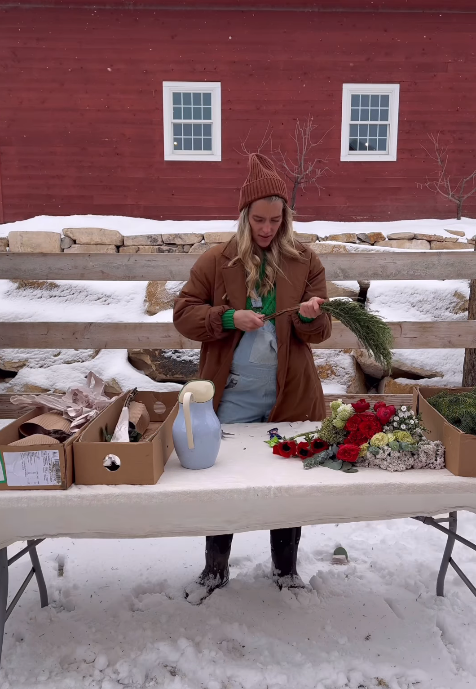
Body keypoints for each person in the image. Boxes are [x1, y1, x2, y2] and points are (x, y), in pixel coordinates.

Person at [173, 153, 332, 603]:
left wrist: (307, 318)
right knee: (223, 485)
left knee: (288, 483)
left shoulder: (304, 260)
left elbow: (322, 331)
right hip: (234, 395)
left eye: (275, 220)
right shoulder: (216, 261)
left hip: (291, 394)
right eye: (259, 220)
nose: (267, 228)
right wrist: (226, 319)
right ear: (244, 218)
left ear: (286, 218)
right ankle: (214, 569)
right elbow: (183, 315)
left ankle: (286, 569)